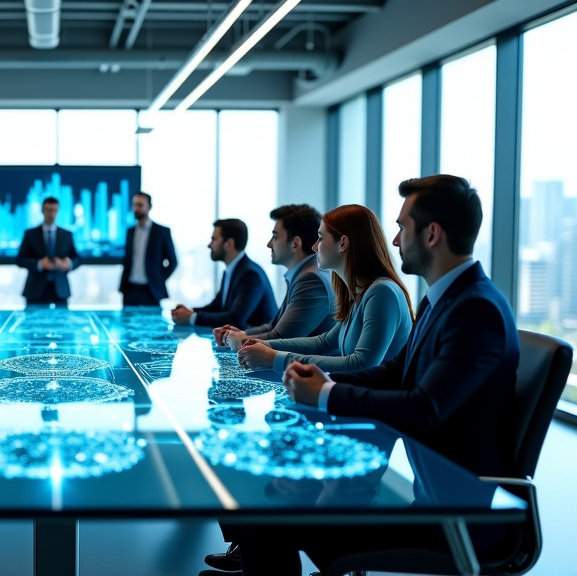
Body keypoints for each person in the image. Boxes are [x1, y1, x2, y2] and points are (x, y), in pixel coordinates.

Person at [206, 175, 520, 576]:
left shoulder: (475, 309)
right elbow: (393, 371)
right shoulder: (445, 300)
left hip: (452, 517)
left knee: (264, 511)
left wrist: (324, 394)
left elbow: (425, 408)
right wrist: (308, 377)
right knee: (262, 506)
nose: (394, 240)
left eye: (403, 227)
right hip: (427, 494)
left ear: (432, 234)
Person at [234, 204, 413, 373]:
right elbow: (324, 342)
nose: (314, 247)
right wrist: (265, 346)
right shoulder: (361, 292)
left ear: (342, 243)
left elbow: (362, 363)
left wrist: (274, 358)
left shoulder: (382, 292)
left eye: (320, 238)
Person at [212, 204, 335, 347]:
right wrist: (240, 334)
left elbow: (281, 338)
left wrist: (237, 340)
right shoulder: (304, 273)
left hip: (315, 368)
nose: (269, 244)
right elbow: (273, 327)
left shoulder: (311, 279)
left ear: (295, 243)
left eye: (275, 236)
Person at [171, 218, 276, 327]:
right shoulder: (231, 270)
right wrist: (189, 311)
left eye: (214, 239)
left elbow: (236, 318)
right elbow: (217, 306)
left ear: (229, 243)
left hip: (257, 342)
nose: (209, 245)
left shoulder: (250, 275)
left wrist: (192, 317)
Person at [17, 197, 82, 307]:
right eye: (48, 210)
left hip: (60, 289)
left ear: (58, 211)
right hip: (35, 290)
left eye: (54, 210)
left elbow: (77, 258)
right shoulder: (30, 234)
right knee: (33, 322)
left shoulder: (66, 235)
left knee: (62, 322)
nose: (51, 213)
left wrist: (68, 264)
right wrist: (39, 264)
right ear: (42, 211)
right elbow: (19, 260)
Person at [119, 191, 178, 307]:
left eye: (140, 205)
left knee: (152, 323)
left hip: (151, 290)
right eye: (134, 205)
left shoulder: (162, 232)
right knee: (127, 322)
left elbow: (173, 262)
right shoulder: (130, 232)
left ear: (149, 207)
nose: (136, 208)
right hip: (130, 289)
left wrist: (158, 278)